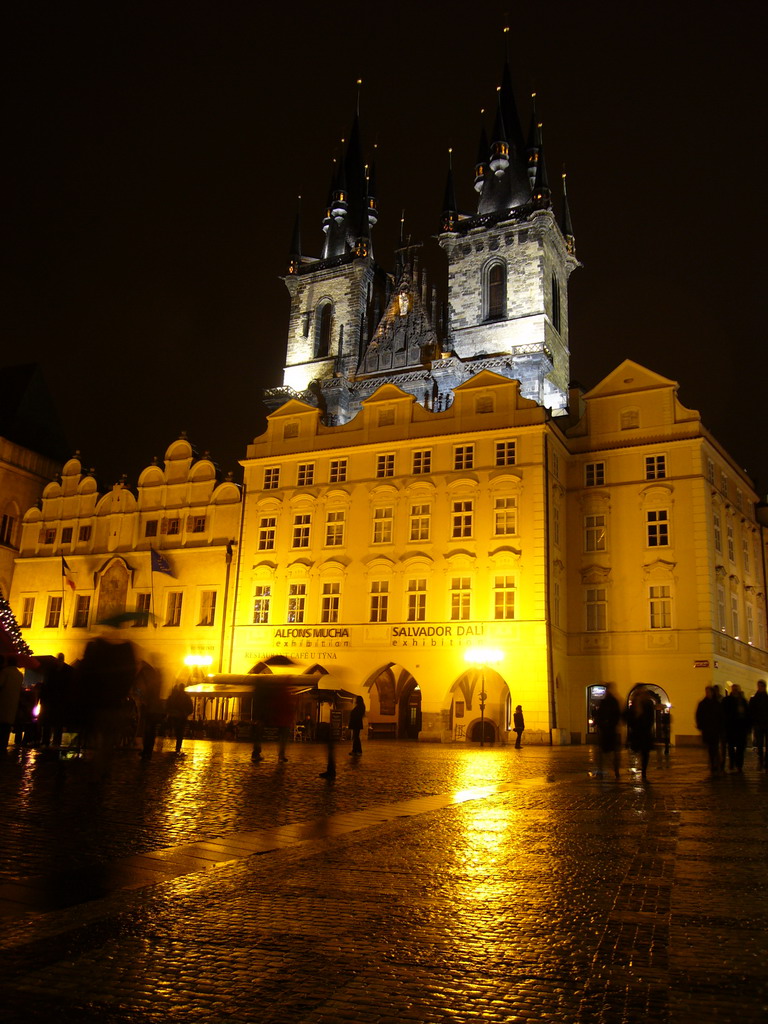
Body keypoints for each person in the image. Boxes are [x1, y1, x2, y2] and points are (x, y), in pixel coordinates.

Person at [625, 688, 655, 780]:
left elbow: (629, 719)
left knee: (642, 752)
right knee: (642, 753)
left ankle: (642, 771)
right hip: (640, 732)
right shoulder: (638, 705)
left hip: (641, 732)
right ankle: (642, 771)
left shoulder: (645, 704)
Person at [594, 683, 621, 778]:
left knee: (605, 752)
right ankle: (613, 770)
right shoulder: (611, 701)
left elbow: (601, 715)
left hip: (608, 730)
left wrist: (603, 723)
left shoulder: (608, 701)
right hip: (609, 730)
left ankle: (605, 770)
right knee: (610, 752)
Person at [721, 683, 750, 772]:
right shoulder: (727, 700)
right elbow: (723, 713)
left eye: (736, 690)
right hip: (731, 727)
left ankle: (739, 765)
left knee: (740, 748)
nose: (735, 691)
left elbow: (748, 714)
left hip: (741, 727)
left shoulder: (743, 701)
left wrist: (748, 727)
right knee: (730, 747)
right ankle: (732, 762)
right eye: (734, 689)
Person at [695, 685, 722, 774]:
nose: (707, 693)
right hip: (707, 728)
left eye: (709, 692)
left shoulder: (716, 703)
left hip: (715, 728)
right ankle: (713, 762)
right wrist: (700, 725)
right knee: (711, 747)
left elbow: (721, 716)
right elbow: (698, 715)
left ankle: (714, 763)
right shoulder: (702, 703)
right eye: (706, 692)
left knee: (714, 746)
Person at [0, 656, 23, 753]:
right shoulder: (19, 674)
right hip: (13, 702)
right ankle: (3, 745)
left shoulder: (5, 672)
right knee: (7, 726)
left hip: (3, 701)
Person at [166, 683, 194, 755]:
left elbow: (168, 705)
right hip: (181, 717)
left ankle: (177, 747)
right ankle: (178, 747)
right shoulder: (186, 697)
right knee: (180, 733)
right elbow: (190, 708)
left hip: (178, 716)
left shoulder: (175, 696)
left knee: (178, 732)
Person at [748, 679, 768, 770]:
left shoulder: (767, 698)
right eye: (759, 686)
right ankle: (760, 760)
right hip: (758, 725)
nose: (760, 688)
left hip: (766, 724)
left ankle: (766, 761)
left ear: (764, 687)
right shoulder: (754, 699)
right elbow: (751, 712)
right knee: (759, 744)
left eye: (762, 686)